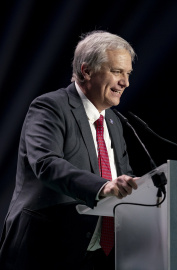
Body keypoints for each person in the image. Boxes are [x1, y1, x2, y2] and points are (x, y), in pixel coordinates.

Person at [0, 30, 138, 270]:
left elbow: (122, 177)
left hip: (94, 255)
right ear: (86, 71)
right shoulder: (50, 106)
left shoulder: (114, 122)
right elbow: (46, 163)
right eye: (117, 71)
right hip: (43, 250)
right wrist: (102, 186)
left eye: (127, 74)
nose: (125, 82)